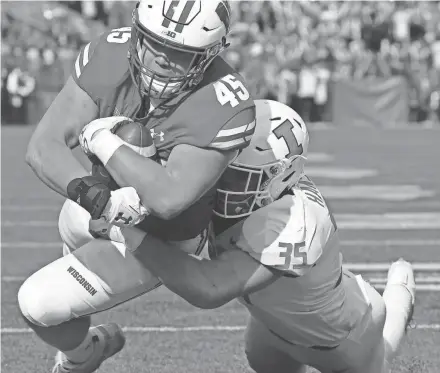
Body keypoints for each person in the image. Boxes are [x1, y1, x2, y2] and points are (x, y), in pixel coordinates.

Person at [20, 1, 256, 372]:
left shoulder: (224, 99)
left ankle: (74, 363)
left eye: (180, 53)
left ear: (209, 55)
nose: (162, 58)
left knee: (39, 303)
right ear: (136, 33)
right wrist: (96, 197)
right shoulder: (110, 52)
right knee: (69, 235)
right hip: (99, 207)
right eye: (154, 43)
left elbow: (168, 198)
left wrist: (104, 141)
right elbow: (42, 146)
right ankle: (86, 350)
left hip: (160, 239)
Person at [110, 99, 414, 373]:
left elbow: (209, 286)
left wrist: (128, 230)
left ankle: (401, 291)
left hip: (344, 340)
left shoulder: (295, 221)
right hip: (268, 328)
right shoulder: (254, 191)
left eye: (236, 175)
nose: (219, 180)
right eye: (220, 165)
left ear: (281, 176)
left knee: (382, 354)